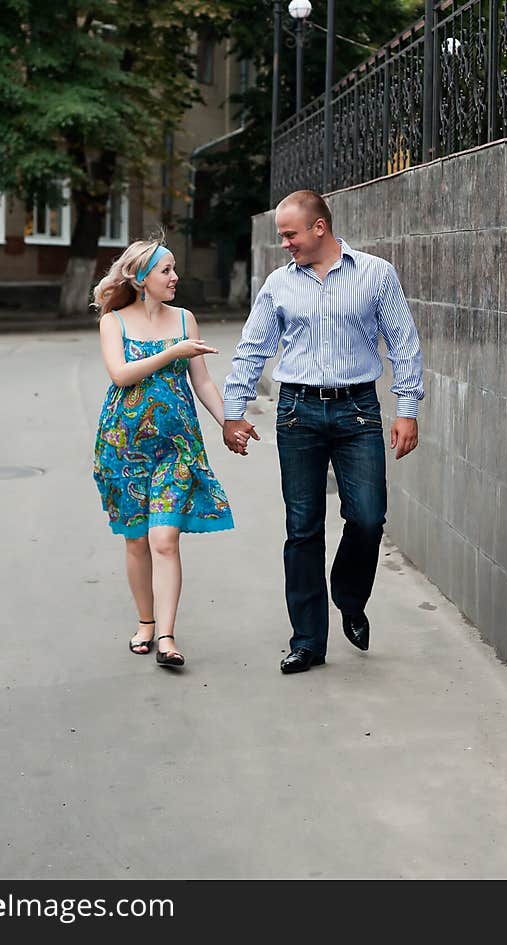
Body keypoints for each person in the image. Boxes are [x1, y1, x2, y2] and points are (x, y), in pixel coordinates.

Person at [222, 190, 423, 674]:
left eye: (290, 234)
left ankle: (349, 598)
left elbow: (403, 342)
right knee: (303, 528)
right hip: (297, 413)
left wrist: (407, 408)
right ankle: (308, 640)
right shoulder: (278, 284)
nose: (285, 243)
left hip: (357, 410)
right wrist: (233, 410)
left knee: (369, 517)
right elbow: (253, 348)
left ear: (319, 227)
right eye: (281, 236)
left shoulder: (376, 274)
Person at [93, 235, 234, 669]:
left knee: (164, 539)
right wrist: (172, 351)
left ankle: (168, 637)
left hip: (177, 448)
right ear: (140, 278)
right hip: (124, 447)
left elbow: (203, 382)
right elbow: (121, 375)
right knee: (137, 541)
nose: (175, 277)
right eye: (166, 270)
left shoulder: (185, 320)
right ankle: (146, 623)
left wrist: (229, 421)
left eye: (173, 269)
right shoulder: (113, 322)